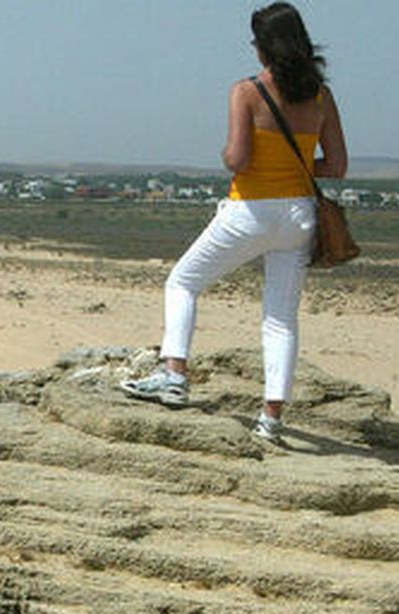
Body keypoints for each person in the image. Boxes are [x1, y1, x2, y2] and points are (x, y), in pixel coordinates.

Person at [121, 2, 347, 444]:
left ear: (264, 47)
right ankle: (272, 418)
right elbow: (336, 164)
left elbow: (237, 159)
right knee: (280, 318)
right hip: (299, 215)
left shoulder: (248, 92)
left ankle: (174, 375)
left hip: (251, 211)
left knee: (183, 281)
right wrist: (296, 166)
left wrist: (235, 157)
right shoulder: (321, 95)